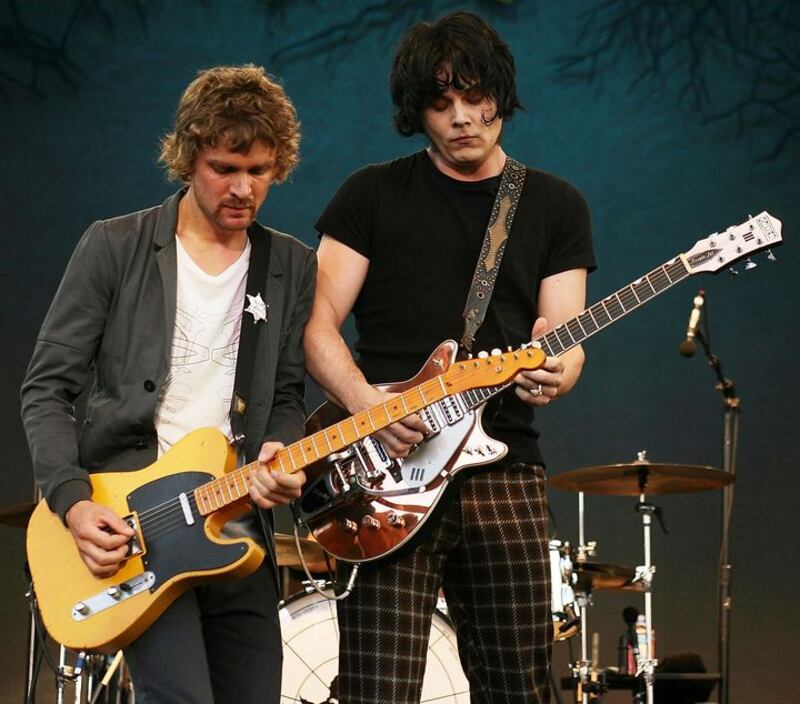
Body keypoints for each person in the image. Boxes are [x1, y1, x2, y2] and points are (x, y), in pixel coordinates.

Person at [304, 11, 595, 704]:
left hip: (504, 467)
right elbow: (314, 327)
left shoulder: (555, 205)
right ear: (417, 113)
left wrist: (559, 370)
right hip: (385, 472)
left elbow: (567, 337)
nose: (462, 117)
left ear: (502, 94)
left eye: (476, 96)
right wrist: (368, 407)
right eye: (441, 103)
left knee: (519, 686)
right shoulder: (370, 195)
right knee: (377, 689)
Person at [20, 64, 313, 703]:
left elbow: (288, 393)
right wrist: (73, 502)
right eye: (223, 168)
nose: (243, 188)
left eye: (259, 170)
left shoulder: (290, 264)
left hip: (235, 522)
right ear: (188, 157)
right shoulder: (114, 246)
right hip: (137, 524)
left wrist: (280, 447)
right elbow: (46, 388)